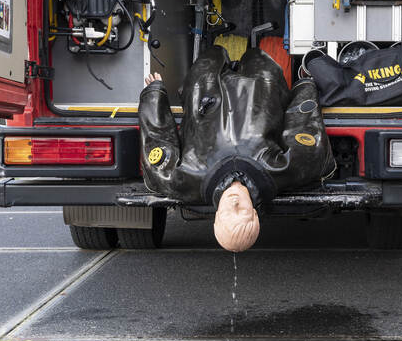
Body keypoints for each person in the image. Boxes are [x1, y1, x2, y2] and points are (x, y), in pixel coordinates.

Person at [138, 45, 335, 252]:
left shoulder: (186, 179)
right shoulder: (278, 172)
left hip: (204, 85)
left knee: (211, 50)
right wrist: (305, 87)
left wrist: (154, 95)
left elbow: (157, 141)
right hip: (261, 85)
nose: (234, 204)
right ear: (255, 214)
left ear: (216, 218)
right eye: (241, 212)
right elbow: (307, 141)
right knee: (261, 51)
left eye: (227, 214)